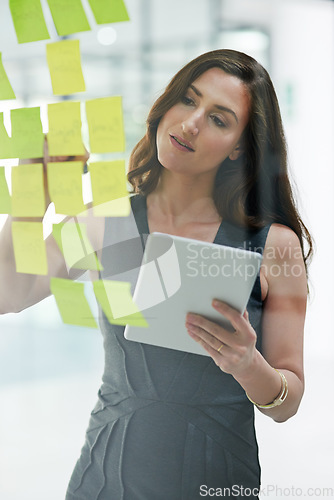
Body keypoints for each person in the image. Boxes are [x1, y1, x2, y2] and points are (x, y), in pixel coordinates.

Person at [0, 49, 312, 499]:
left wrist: (248, 365)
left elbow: (289, 402)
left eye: (219, 119)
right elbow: (9, 293)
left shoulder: (273, 246)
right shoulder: (107, 223)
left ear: (239, 147)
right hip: (106, 475)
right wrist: (32, 192)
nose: (190, 123)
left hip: (218, 477)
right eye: (188, 99)